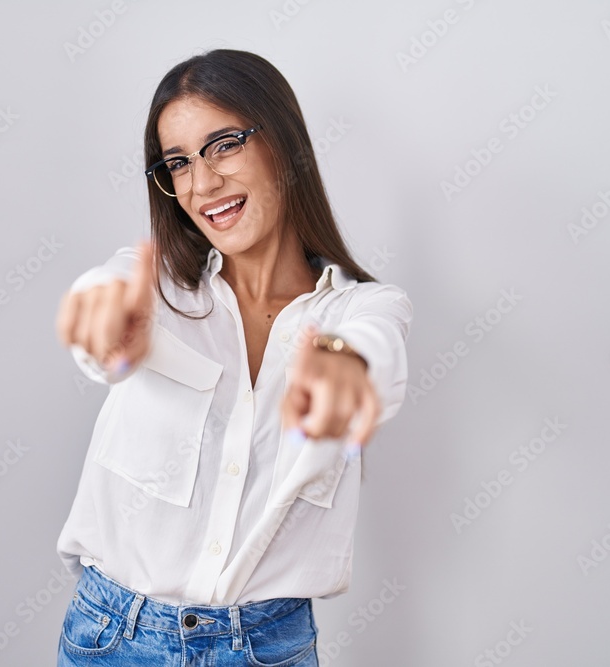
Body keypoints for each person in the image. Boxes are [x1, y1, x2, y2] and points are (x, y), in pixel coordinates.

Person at [53, 49, 411, 666]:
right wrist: (104, 321)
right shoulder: (155, 289)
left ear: (283, 143)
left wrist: (341, 372)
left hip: (265, 650)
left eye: (223, 145)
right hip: (114, 642)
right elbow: (101, 302)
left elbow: (374, 358)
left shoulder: (362, 311)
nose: (201, 184)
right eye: (178, 163)